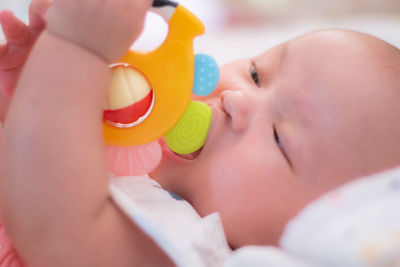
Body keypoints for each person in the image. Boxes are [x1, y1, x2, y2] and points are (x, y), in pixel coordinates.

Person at [1, 0, 400, 266]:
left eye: (280, 139)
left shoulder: (192, 248)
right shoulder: (124, 130)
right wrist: (34, 96)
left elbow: (54, 227)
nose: (237, 99)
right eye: (257, 74)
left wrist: (75, 51)